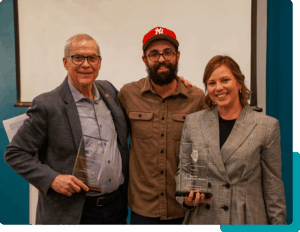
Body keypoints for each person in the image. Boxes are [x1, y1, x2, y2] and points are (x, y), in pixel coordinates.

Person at [4, 34, 129, 225]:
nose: (86, 65)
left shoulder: (109, 91)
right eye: (78, 57)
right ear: (65, 62)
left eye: (92, 58)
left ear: (100, 62)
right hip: (73, 213)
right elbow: (15, 153)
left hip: (115, 208)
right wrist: (52, 179)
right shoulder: (47, 105)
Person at [175, 55, 287, 224]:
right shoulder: (193, 122)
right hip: (204, 218)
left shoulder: (266, 126)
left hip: (245, 219)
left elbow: (273, 187)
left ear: (239, 83)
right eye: (212, 83)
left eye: (225, 80)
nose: (218, 88)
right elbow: (184, 171)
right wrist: (186, 198)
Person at [117, 26, 208, 225]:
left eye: (168, 53)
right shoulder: (128, 94)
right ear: (144, 59)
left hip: (184, 206)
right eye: (154, 54)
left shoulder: (196, 98)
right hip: (143, 207)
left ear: (177, 56)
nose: (161, 59)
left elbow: (206, 150)